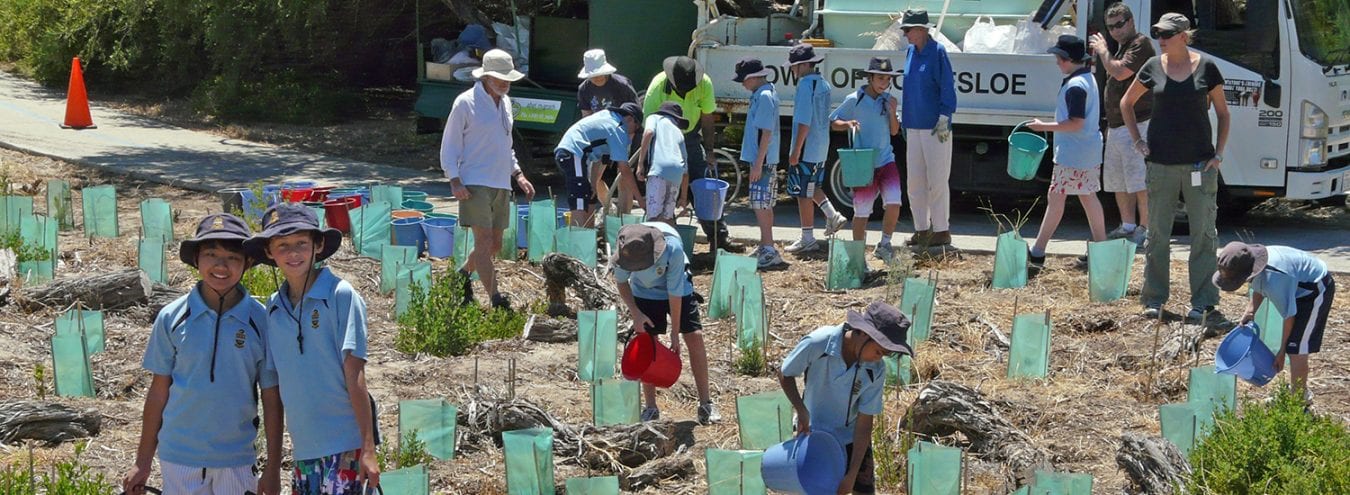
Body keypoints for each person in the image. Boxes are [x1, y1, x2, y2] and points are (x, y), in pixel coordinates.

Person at [122, 214, 283, 495]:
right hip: (179, 458)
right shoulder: (172, 317)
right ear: (196, 259)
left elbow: (271, 398)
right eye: (210, 254)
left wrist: (273, 469)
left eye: (233, 257)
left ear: (248, 263)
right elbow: (159, 392)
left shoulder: (262, 321)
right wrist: (142, 461)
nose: (221, 265)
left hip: (236, 460)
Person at [245, 204, 380, 494]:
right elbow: (273, 390)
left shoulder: (340, 295)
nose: (293, 254)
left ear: (318, 245)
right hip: (304, 452)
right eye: (282, 245)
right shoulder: (273, 309)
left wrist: (367, 449)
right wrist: (272, 468)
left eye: (301, 244)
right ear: (269, 251)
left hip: (346, 447)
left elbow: (355, 373)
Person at [1121, 13, 1230, 321]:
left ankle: (1204, 302)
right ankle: (1154, 299)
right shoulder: (1152, 66)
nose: (1161, 39)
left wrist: (1218, 154)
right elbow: (1126, 104)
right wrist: (1138, 143)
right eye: (1158, 33)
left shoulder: (1207, 68)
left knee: (1204, 236)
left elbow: (1223, 113)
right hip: (1160, 165)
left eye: (1167, 33)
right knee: (1156, 235)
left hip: (1199, 165)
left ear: (1184, 35)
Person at [780, 302, 913, 495]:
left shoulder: (875, 370)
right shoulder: (820, 342)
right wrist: (801, 410)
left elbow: (865, 422)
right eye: (878, 351)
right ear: (864, 334)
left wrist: (851, 475)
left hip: (851, 438)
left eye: (885, 355)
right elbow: (786, 373)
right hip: (813, 433)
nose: (879, 358)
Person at [440, 48, 537, 310]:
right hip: (474, 181)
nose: (505, 83)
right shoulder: (465, 102)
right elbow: (450, 144)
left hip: (501, 182)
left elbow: (505, 144)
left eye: (508, 79)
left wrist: (518, 174)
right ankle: (496, 298)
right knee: (482, 243)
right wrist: (455, 180)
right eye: (500, 78)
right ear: (485, 77)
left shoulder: (505, 103)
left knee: (494, 245)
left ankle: (461, 276)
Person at [613, 223, 720, 424]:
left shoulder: (672, 250)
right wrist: (636, 314)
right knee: (647, 340)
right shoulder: (624, 248)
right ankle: (651, 407)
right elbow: (621, 282)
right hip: (643, 292)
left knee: (694, 336)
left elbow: (675, 292)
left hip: (679, 289)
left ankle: (706, 403)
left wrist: (675, 332)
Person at [1214, 242, 1334, 405]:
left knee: (1296, 348)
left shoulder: (1276, 278)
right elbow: (1259, 284)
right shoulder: (1254, 264)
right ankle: (1295, 395)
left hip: (1316, 290)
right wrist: (1250, 310)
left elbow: (1289, 317)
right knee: (1293, 344)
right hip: (1296, 284)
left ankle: (1300, 401)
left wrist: (1282, 351)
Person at [1026, 35, 1107, 274]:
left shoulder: (1075, 86)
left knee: (1058, 197)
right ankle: (1100, 250)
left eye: (1058, 58)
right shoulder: (1087, 78)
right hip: (1087, 150)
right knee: (1087, 196)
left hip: (1074, 152)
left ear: (1067, 60)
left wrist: (1043, 127)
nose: (1056, 63)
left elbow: (1075, 123)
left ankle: (1038, 252)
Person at [643, 56, 738, 252]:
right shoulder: (657, 88)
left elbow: (707, 118)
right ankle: (668, 241)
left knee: (704, 187)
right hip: (663, 139)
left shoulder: (705, 84)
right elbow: (649, 128)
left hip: (691, 136)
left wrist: (710, 150)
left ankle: (719, 238)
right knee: (664, 188)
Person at [1090, 2, 1154, 246]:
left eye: (1119, 25)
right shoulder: (1120, 48)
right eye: (1111, 27)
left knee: (1139, 181)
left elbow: (1120, 73)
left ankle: (1145, 229)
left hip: (1139, 124)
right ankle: (1127, 225)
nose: (1115, 31)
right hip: (1116, 126)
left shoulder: (1140, 44)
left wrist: (1103, 50)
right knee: (1119, 180)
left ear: (1130, 21)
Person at [830, 57, 904, 260]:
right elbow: (833, 121)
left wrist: (892, 110)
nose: (884, 83)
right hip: (863, 163)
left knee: (895, 202)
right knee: (862, 212)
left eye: (887, 79)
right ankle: (857, 255)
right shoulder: (855, 99)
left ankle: (885, 244)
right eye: (880, 78)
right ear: (870, 78)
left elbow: (894, 131)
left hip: (886, 159)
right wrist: (848, 124)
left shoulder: (888, 100)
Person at [900, 9, 958, 248]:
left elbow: (947, 86)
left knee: (937, 180)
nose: (905, 34)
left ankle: (942, 229)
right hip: (913, 125)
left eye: (908, 30)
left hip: (936, 127)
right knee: (915, 183)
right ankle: (922, 229)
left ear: (922, 30)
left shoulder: (938, 52)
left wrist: (945, 116)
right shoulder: (910, 53)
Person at [783, 44, 848, 254]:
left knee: (802, 193)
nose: (792, 70)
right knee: (812, 187)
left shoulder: (805, 86)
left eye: (793, 66)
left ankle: (808, 237)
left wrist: (795, 151)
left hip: (807, 147)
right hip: (821, 146)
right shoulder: (823, 84)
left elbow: (803, 122)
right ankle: (832, 215)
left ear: (803, 65)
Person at [555, 101, 643, 229]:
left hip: (575, 154)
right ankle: (577, 243)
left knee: (589, 195)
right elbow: (625, 170)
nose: (632, 135)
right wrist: (640, 199)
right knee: (579, 200)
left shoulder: (607, 117)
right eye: (635, 129)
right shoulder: (618, 128)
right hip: (573, 152)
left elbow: (599, 159)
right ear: (630, 119)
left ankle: (589, 236)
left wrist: (593, 185)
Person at [733, 58, 786, 269]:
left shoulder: (764, 96)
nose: (742, 84)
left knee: (760, 204)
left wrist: (757, 163)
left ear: (754, 78)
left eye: (744, 80)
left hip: (761, 161)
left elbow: (766, 132)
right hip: (763, 160)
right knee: (764, 203)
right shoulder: (764, 94)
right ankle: (766, 245)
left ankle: (770, 249)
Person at [633, 101, 689, 225]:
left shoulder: (654, 118)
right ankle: (668, 243)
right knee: (667, 217)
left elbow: (648, 133)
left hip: (659, 170)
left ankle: (654, 243)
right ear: (677, 120)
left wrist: (640, 163)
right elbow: (685, 172)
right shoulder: (679, 132)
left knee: (653, 217)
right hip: (677, 174)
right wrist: (683, 198)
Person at [577, 49, 639, 117]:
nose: (597, 77)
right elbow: (586, 115)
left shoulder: (622, 84)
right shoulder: (584, 89)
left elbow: (636, 111)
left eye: (599, 73)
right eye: (592, 75)